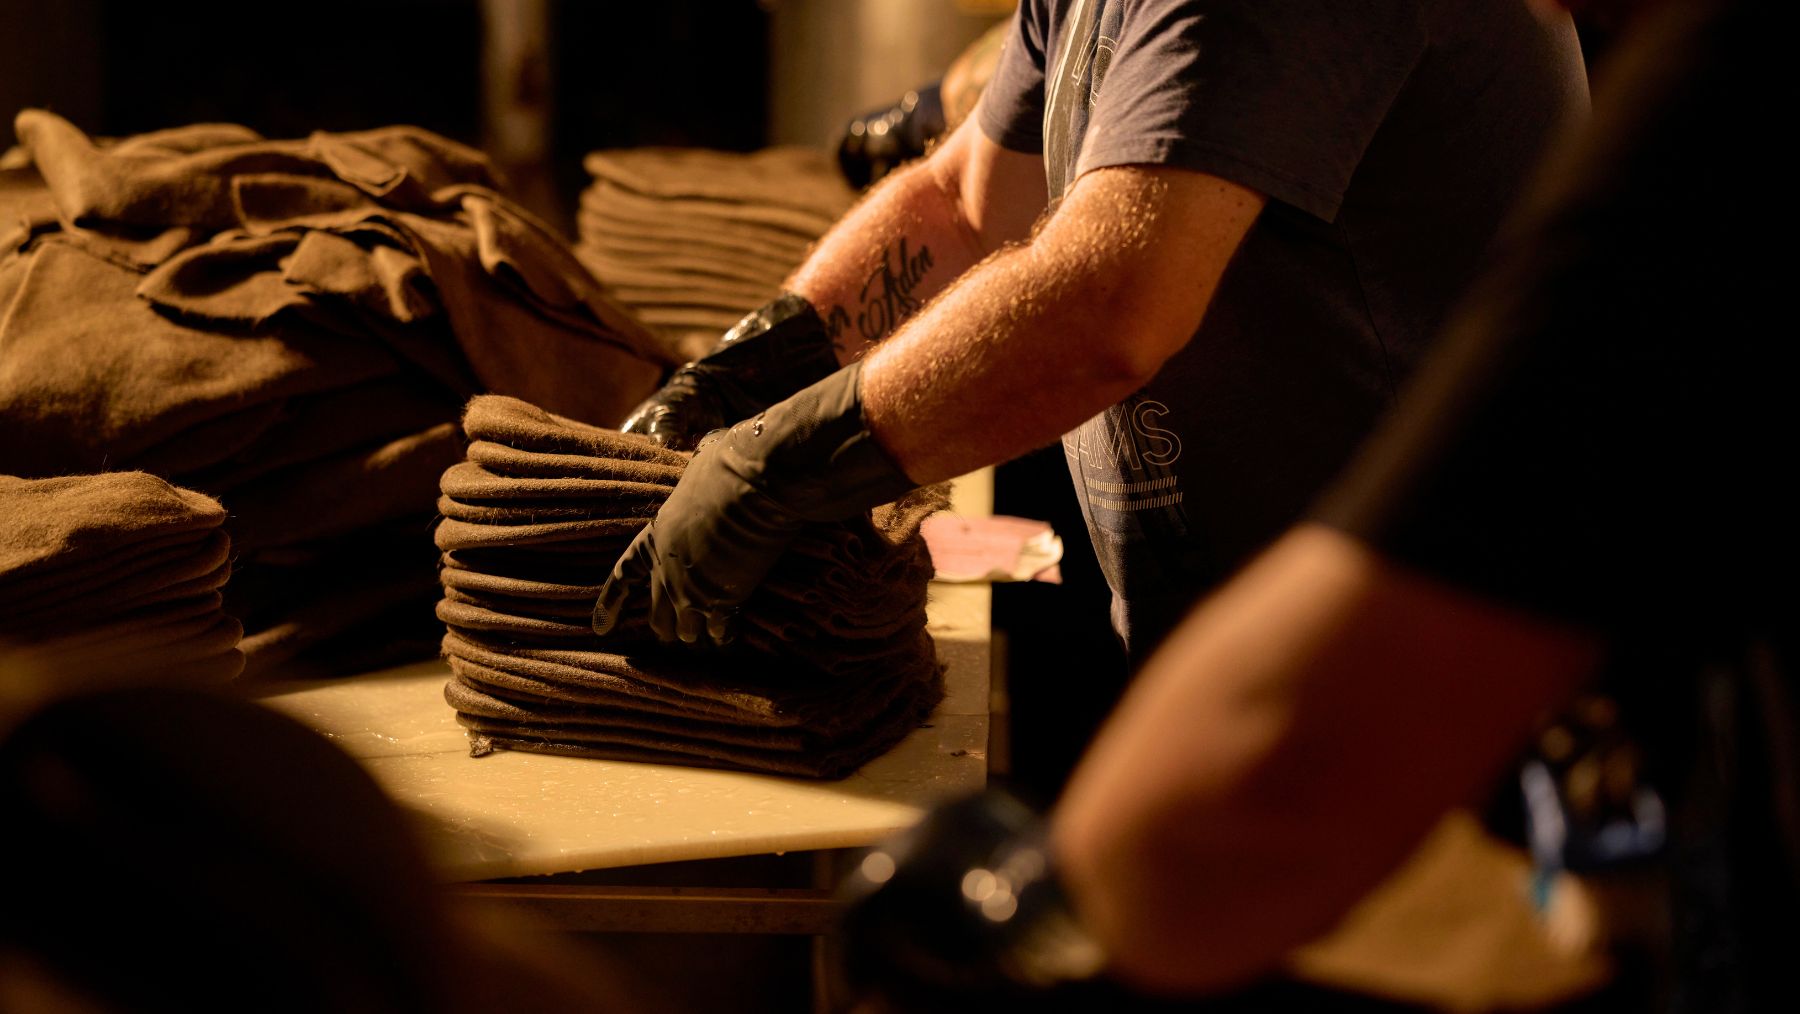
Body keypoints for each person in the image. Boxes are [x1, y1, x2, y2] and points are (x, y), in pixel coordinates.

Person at [840, 0, 1794, 1007]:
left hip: (1445, 772)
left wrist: (1054, 909)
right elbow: (964, 194)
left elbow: (1300, 762)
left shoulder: (1729, 81)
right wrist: (758, 387)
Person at [593, 0, 1589, 664]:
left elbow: (1109, 306)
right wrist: (752, 365)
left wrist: (781, 468)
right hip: (1276, 649)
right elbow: (963, 202)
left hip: (1427, 672)